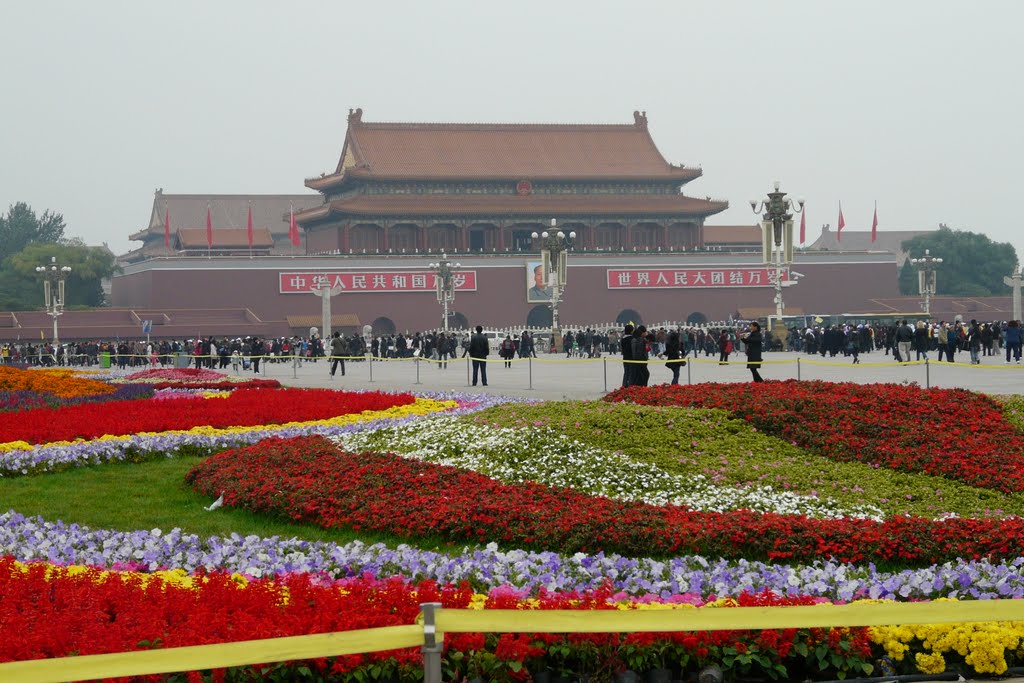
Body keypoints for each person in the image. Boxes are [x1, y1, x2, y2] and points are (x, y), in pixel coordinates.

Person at [620, 323, 635, 388]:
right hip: (631, 358)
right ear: (631, 331)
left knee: (626, 372)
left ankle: (624, 385)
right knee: (631, 372)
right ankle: (630, 386)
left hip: (625, 357)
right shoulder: (632, 339)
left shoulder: (623, 339)